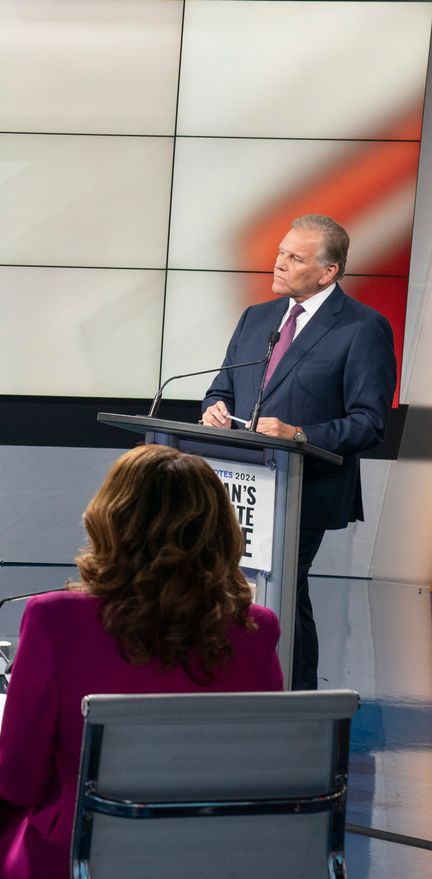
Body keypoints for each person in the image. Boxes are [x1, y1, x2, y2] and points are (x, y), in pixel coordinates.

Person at [0, 444, 283, 879]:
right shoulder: (256, 630)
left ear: (110, 519)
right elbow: (263, 775)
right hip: (209, 861)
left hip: (79, 859)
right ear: (219, 529)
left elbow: (18, 781)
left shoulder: (54, 619)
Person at [201, 214, 396, 689]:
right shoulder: (257, 317)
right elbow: (219, 389)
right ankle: (244, 684)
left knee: (284, 590)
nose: (280, 263)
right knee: (244, 590)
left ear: (329, 272)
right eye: (281, 252)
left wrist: (299, 435)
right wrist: (214, 411)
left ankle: (299, 696)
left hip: (304, 488)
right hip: (241, 485)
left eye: (295, 257)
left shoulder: (363, 328)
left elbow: (370, 423)